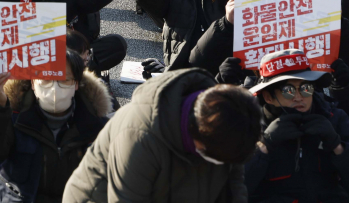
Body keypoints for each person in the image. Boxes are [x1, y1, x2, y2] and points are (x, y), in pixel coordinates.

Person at [62, 71, 262, 202]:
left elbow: (234, 188)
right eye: (217, 160)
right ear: (197, 134)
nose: (221, 164)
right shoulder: (139, 134)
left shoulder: (232, 126)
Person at [0, 49, 111, 202]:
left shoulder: (97, 125)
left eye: (64, 80)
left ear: (76, 84)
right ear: (32, 83)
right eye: (45, 80)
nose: (54, 88)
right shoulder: (13, 116)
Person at [245, 49, 349, 201]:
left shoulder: (334, 118)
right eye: (288, 91)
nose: (298, 98)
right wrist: (264, 146)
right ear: (268, 97)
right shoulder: (250, 126)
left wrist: (338, 146)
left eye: (305, 88)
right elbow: (231, 191)